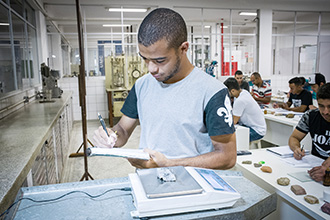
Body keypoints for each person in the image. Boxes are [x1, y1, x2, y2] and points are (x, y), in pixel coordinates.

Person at [93, 8, 237, 170]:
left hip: (193, 187)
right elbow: (123, 130)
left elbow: (227, 157)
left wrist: (169, 164)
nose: (151, 69)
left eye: (160, 60)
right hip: (147, 182)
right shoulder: (141, 85)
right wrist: (110, 136)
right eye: (145, 59)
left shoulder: (212, 91)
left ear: (183, 48)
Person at [288, 83, 330, 182]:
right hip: (316, 167)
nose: (325, 112)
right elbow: (294, 138)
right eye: (321, 106)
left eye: (329, 106)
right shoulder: (311, 116)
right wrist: (296, 148)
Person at [224, 77, 266, 142]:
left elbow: (233, 122)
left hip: (256, 131)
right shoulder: (243, 92)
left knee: (231, 138)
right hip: (255, 126)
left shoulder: (240, 100)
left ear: (232, 91)